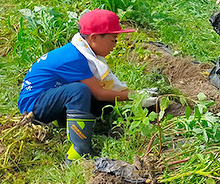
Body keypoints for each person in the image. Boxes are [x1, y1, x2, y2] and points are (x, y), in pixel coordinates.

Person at [17, 9, 143, 162]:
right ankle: (79, 150)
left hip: (50, 98)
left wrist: (134, 94)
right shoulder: (74, 57)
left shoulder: (82, 53)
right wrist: (137, 96)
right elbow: (98, 93)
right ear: (94, 38)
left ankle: (64, 122)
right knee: (80, 91)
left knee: (106, 98)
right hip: (34, 106)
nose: (115, 45)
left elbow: (103, 93)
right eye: (113, 39)